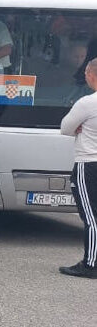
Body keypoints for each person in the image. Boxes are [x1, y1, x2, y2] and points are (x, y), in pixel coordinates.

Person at [58, 57, 97, 279]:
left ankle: (90, 264)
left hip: (89, 163)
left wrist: (80, 127)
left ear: (91, 74)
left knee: (91, 217)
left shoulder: (87, 103)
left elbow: (65, 128)